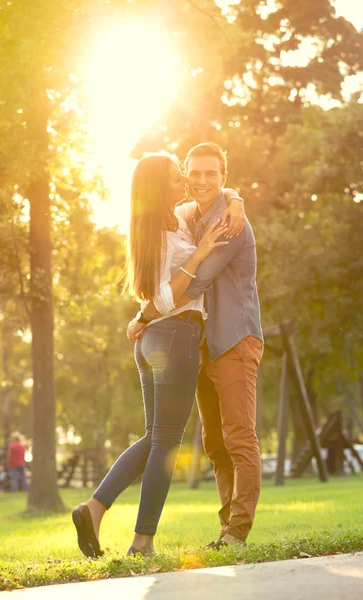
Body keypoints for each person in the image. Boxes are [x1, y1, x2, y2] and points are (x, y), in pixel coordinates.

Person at [71, 154, 243, 558]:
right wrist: (199, 254)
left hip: (152, 340)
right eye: (174, 178)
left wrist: (236, 199)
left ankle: (94, 509)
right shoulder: (163, 235)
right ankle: (142, 541)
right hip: (176, 336)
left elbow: (218, 192)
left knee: (154, 438)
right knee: (166, 442)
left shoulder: (174, 220)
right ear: (156, 189)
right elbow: (164, 297)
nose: (183, 181)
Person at [130, 143, 263, 549]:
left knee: (239, 437)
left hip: (234, 339)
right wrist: (237, 194)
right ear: (185, 177)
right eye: (195, 174)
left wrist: (145, 315)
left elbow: (199, 280)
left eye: (213, 174)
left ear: (223, 175)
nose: (203, 181)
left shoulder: (230, 223)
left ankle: (238, 532)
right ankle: (226, 529)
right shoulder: (188, 214)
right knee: (215, 444)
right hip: (202, 345)